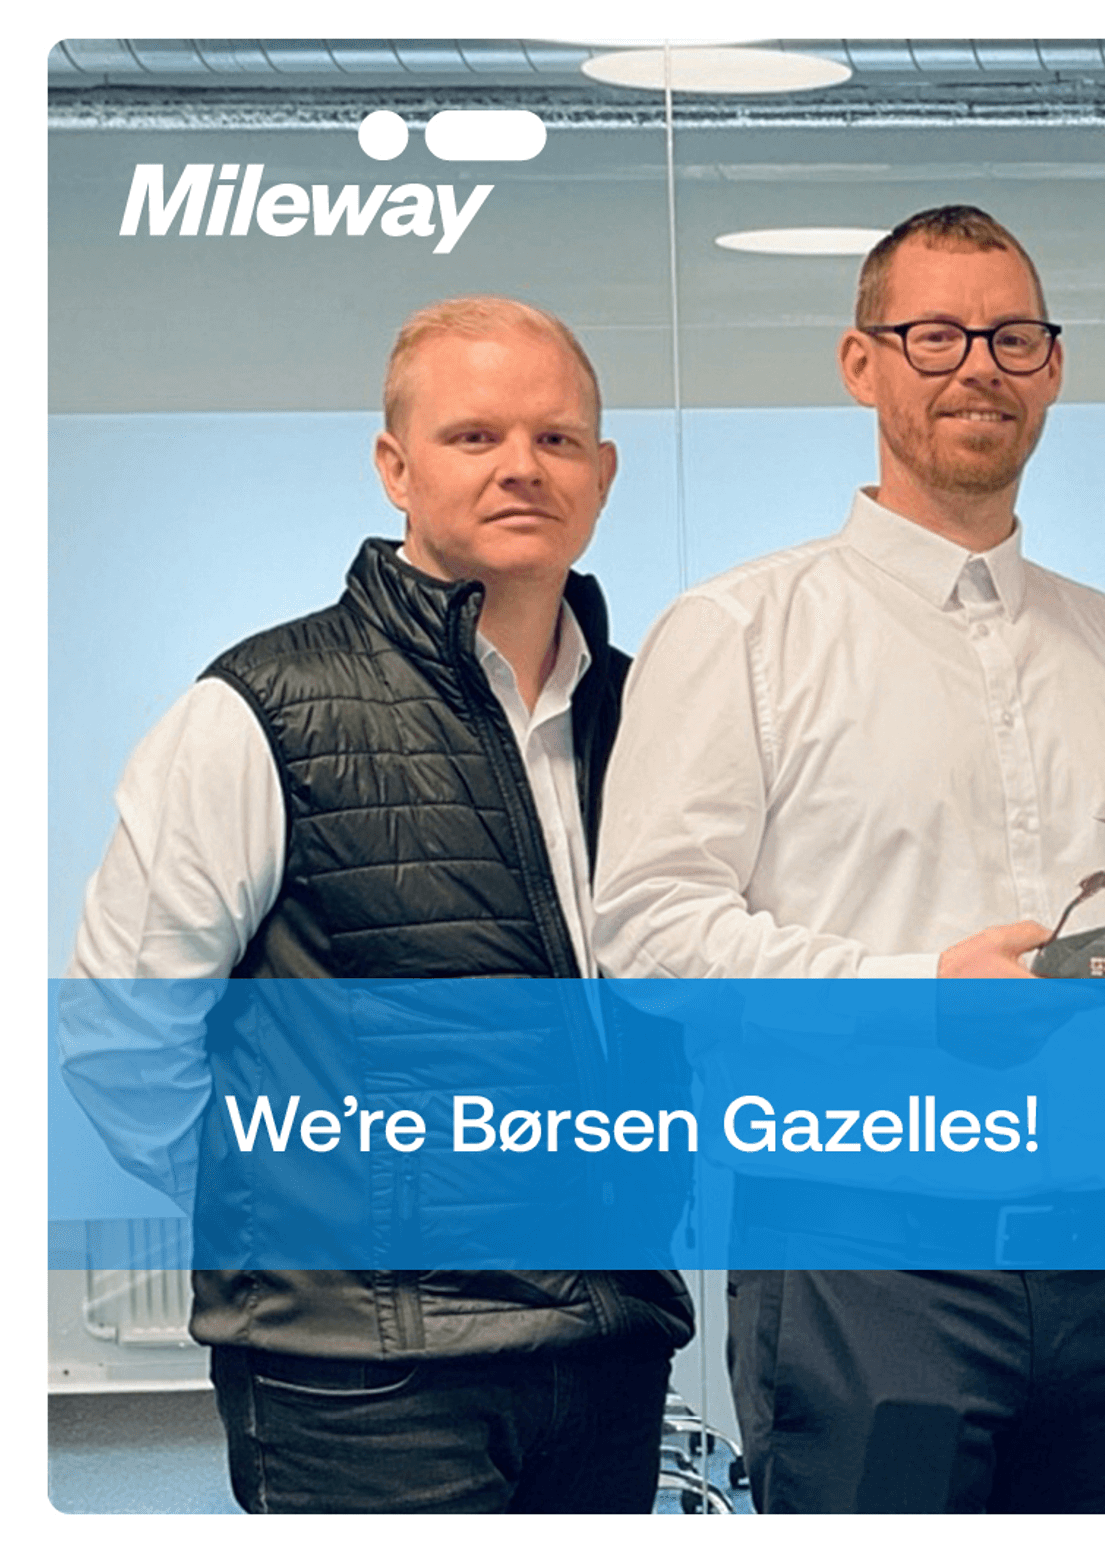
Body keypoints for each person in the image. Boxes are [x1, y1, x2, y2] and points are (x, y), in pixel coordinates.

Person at [591, 205, 1105, 1513]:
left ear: (1052, 367)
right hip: (861, 1258)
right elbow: (648, 931)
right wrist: (917, 989)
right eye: (934, 335)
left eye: (1010, 337)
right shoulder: (741, 633)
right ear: (860, 363)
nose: (976, 367)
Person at [55, 296, 694, 1513]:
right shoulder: (261, 708)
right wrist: (294, 1213)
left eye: (557, 439)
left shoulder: (655, 716)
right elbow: (120, 1034)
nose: (522, 466)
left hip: (608, 1346)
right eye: (474, 436)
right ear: (395, 467)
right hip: (362, 1376)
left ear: (603, 474)